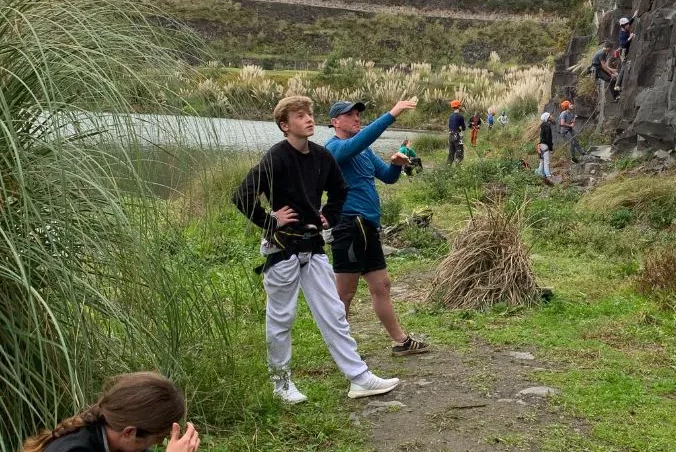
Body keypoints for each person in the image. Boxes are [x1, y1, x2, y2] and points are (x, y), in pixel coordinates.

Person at [232, 95, 399, 403]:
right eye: (299, 116)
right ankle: (282, 385)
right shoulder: (276, 157)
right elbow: (242, 196)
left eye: (309, 114)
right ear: (285, 125)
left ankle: (359, 378)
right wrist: (270, 221)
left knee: (334, 312)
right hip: (281, 249)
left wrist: (329, 216)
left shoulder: (322, 157)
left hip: (313, 246)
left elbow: (340, 190)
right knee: (282, 317)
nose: (308, 119)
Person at [325, 99, 430, 357]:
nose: (356, 118)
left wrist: (397, 163)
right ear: (334, 122)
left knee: (382, 285)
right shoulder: (334, 148)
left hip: (368, 226)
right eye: (349, 115)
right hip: (349, 226)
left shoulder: (365, 152)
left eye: (358, 113)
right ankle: (341, 349)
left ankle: (400, 341)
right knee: (345, 292)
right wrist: (392, 114)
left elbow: (388, 178)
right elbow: (360, 141)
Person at [20, 372, 199, 452]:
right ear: (130, 432)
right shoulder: (74, 450)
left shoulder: (118, 442)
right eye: (158, 439)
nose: (155, 446)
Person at [614, 15, 635, 94]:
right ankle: (617, 85)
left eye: (628, 24)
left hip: (624, 51)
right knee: (623, 67)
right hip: (623, 51)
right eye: (627, 24)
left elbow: (629, 22)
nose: (629, 25)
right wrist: (630, 38)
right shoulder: (622, 34)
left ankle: (617, 85)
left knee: (624, 67)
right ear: (623, 26)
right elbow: (623, 44)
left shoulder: (625, 27)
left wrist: (633, 17)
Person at [536, 112, 554, 179]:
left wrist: (538, 145)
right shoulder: (547, 125)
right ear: (548, 118)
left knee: (542, 161)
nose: (552, 116)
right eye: (550, 115)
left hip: (541, 145)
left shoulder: (543, 125)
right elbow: (548, 138)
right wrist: (551, 148)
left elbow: (541, 137)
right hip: (545, 145)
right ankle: (548, 175)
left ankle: (539, 173)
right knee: (546, 161)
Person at [447, 100, 466, 164]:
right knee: (459, 153)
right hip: (458, 136)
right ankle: (458, 169)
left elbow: (449, 126)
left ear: (452, 107)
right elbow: (464, 128)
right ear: (459, 107)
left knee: (451, 153)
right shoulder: (460, 116)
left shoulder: (450, 116)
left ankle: (447, 167)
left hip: (451, 136)